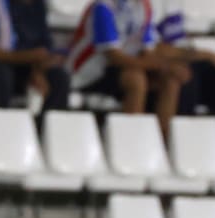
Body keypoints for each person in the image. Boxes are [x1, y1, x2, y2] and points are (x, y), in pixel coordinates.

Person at [67, 0, 190, 137]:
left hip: (125, 67)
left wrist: (165, 68)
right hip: (90, 72)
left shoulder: (144, 6)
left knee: (171, 77)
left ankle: (163, 140)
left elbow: (147, 50)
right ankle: (131, 139)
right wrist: (160, 65)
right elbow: (114, 56)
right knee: (135, 79)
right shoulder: (103, 7)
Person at [150, 0, 215, 138]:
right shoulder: (147, 6)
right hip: (158, 62)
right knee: (185, 77)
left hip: (185, 56)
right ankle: (181, 141)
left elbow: (177, 40)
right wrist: (206, 55)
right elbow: (152, 49)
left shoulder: (173, 3)